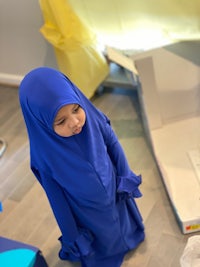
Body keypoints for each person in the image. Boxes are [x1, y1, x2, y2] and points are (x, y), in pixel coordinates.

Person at [19, 67, 145, 267]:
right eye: (61, 121)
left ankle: (130, 237)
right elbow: (57, 200)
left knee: (123, 222)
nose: (75, 122)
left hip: (114, 190)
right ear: (41, 124)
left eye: (76, 109)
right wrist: (72, 235)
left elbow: (113, 144)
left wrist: (123, 175)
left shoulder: (93, 120)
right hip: (87, 211)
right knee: (104, 237)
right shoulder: (45, 157)